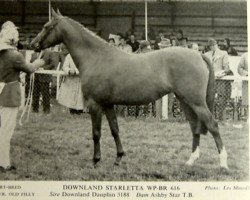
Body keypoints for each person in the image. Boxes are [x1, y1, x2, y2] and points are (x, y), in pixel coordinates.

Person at [0, 21, 45, 172]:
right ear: (14, 39)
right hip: (9, 95)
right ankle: (4, 163)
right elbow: (30, 69)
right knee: (5, 131)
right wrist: (39, 62)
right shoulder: (15, 55)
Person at [205, 38, 232, 121]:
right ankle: (209, 117)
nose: (212, 47)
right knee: (209, 98)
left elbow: (227, 68)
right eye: (211, 46)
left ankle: (220, 117)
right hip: (210, 80)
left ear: (216, 44)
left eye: (214, 45)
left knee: (222, 98)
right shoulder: (206, 54)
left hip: (220, 80)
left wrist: (220, 73)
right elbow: (204, 67)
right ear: (209, 47)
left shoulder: (223, 53)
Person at [31, 48, 58, 114]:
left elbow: (53, 64)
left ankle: (46, 111)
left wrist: (43, 68)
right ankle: (34, 110)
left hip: (45, 77)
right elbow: (31, 63)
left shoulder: (50, 53)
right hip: (35, 77)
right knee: (35, 93)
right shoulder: (33, 54)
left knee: (45, 94)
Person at [237, 52, 248, 118]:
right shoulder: (245, 56)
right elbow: (239, 69)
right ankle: (245, 115)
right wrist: (247, 73)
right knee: (246, 100)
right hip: (246, 82)